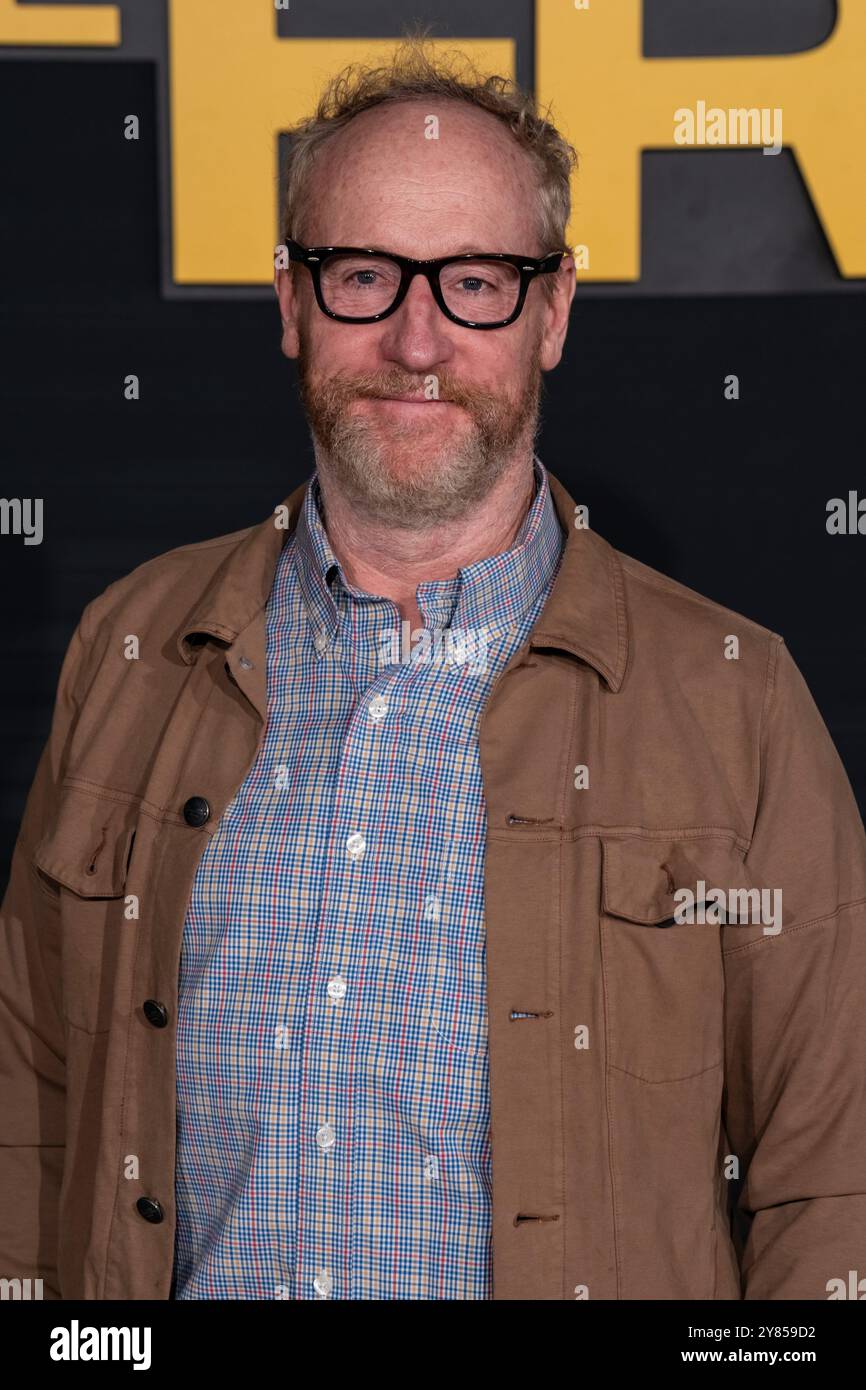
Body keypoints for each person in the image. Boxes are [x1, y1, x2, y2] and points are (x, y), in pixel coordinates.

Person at [1, 37, 865, 1302]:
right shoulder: (127, 652)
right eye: (362, 275)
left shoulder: (735, 700)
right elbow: (31, 1107)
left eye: (474, 282)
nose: (417, 342)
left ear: (553, 310)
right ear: (291, 301)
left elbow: (829, 1186)